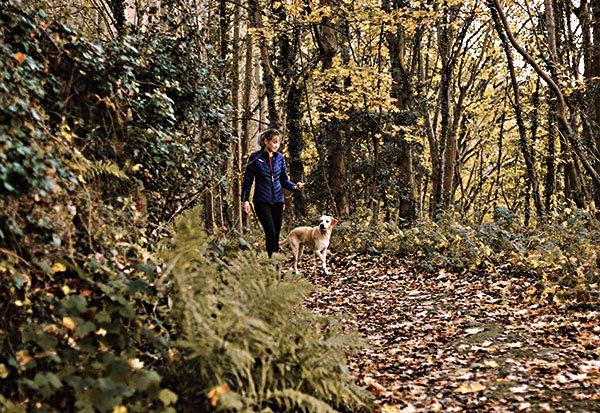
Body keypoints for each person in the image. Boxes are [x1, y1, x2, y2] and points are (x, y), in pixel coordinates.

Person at [242, 129, 304, 258]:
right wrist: (245, 200)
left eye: (278, 143)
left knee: (275, 234)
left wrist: (294, 186)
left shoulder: (279, 158)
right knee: (270, 232)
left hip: (277, 200)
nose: (276, 145)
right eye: (274, 142)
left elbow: (284, 180)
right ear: (266, 141)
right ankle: (271, 264)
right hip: (261, 200)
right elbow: (248, 180)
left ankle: (275, 267)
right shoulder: (255, 157)